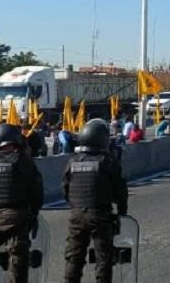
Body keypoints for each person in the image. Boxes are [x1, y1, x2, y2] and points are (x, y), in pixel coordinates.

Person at [0, 123, 44, 283]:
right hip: (17, 218)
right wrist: (34, 212)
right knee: (18, 261)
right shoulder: (22, 160)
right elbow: (36, 190)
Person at [63, 119, 129, 283]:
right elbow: (121, 191)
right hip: (100, 215)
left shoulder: (73, 163)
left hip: (77, 215)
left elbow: (65, 189)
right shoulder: (107, 162)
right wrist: (122, 213)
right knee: (104, 258)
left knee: (74, 257)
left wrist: (76, 207)